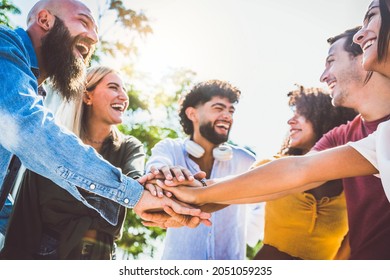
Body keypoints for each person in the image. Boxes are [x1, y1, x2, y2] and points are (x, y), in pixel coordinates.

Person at [152, 5, 390, 257]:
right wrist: (189, 195)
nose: (323, 76)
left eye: (331, 61)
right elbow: (297, 172)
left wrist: (195, 194)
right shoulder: (350, 137)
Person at [0, 0, 210, 236]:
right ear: (45, 20)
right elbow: (27, 129)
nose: (94, 38)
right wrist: (135, 195)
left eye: (96, 31)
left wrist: (20, 240)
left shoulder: (35, 93)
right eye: (83, 22)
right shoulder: (3, 46)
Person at [1, 66, 144, 259]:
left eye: (124, 89)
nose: (123, 96)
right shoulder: (52, 145)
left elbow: (139, 181)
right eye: (113, 87)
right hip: (44, 254)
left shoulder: (128, 147)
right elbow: (25, 213)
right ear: (87, 97)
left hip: (100, 255)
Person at [145, 80, 263, 260]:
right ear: (192, 113)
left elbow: (264, 205)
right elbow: (156, 166)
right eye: (218, 108)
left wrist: (246, 235)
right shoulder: (170, 149)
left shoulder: (245, 160)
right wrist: (162, 172)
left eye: (231, 111)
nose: (227, 116)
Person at [253, 86, 356, 260]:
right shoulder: (272, 166)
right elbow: (225, 193)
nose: (290, 121)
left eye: (301, 113)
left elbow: (348, 250)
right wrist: (196, 192)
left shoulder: (353, 185)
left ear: (325, 118)